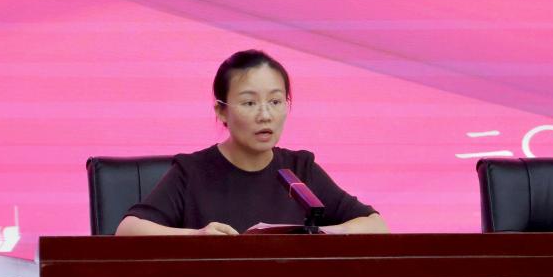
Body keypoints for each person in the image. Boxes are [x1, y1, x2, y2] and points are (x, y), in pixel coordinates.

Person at [115, 50, 389, 236]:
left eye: (275, 101)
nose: (265, 115)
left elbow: (376, 225)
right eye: (249, 103)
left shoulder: (299, 170)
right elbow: (128, 229)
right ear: (222, 111)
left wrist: (322, 233)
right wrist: (196, 236)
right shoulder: (192, 171)